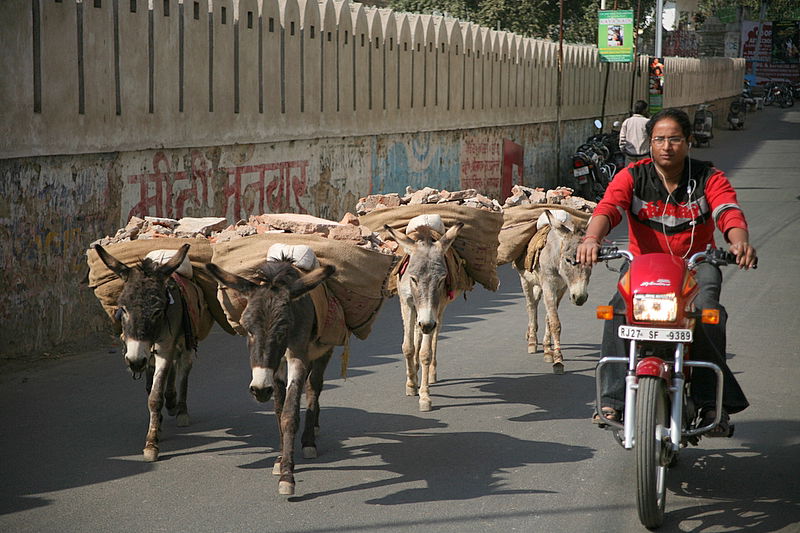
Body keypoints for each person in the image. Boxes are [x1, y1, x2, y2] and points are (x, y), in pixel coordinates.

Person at [576, 108, 758, 436]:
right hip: (644, 266)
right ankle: (613, 398)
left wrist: (739, 241)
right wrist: (592, 238)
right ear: (649, 143)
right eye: (659, 139)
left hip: (696, 265)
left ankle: (708, 402)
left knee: (706, 312)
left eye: (674, 139)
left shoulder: (708, 177)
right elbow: (609, 208)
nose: (666, 146)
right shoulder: (632, 176)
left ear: (688, 142)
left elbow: (727, 211)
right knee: (617, 309)